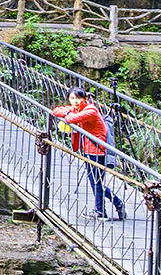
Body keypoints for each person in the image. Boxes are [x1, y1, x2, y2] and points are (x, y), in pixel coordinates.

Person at [51, 91, 126, 220]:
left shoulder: (91, 110)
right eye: (72, 98)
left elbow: (71, 119)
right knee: (95, 182)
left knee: (96, 182)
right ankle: (102, 210)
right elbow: (56, 110)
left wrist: (69, 113)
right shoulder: (78, 109)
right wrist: (70, 111)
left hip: (97, 151)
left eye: (78, 98)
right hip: (88, 149)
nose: (75, 101)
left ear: (85, 98)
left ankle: (113, 206)